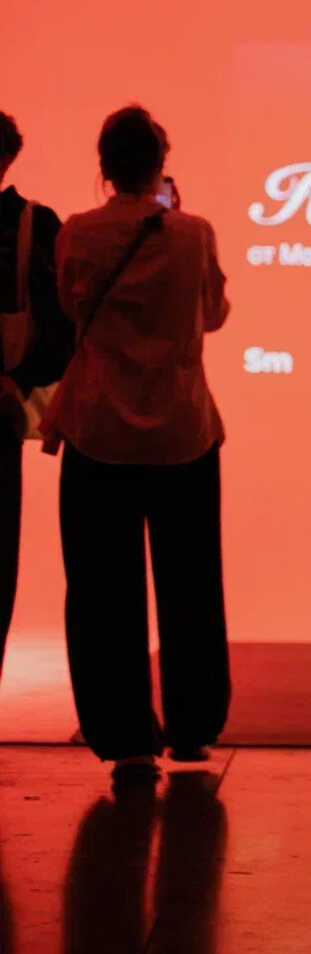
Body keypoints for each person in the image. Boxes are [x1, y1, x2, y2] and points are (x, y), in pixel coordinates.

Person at [51, 106, 231, 785]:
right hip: (184, 430)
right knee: (191, 583)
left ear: (104, 167)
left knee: (102, 590)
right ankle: (192, 727)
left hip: (98, 430)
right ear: (162, 164)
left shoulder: (77, 232)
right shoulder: (193, 233)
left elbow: (70, 310)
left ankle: (124, 737)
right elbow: (212, 315)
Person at [0, 111, 74, 683]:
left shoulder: (33, 223)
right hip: (3, 406)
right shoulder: (33, 224)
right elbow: (60, 329)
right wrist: (20, 381)